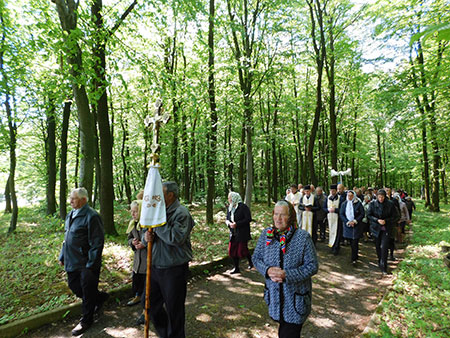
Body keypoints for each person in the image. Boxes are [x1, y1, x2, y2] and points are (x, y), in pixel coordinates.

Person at [137, 181, 195, 338]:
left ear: (170, 195)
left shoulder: (181, 213)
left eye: (160, 193)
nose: (156, 197)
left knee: (174, 309)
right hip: (155, 267)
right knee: (148, 303)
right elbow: (145, 235)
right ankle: (165, 333)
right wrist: (145, 237)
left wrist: (157, 224)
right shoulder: (157, 211)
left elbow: (175, 238)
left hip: (174, 269)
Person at [252, 200, 318, 338]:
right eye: (276, 214)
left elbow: (312, 266)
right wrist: (267, 270)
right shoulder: (267, 235)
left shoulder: (302, 237)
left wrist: (287, 275)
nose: (278, 218)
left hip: (295, 300)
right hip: (275, 299)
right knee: (283, 329)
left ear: (291, 217)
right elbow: (256, 258)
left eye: (283, 215)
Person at [59, 188, 108, 336]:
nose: (70, 201)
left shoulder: (91, 216)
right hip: (71, 260)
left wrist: (91, 264)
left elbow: (97, 242)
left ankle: (86, 320)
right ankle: (100, 298)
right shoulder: (70, 214)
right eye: (70, 198)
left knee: (87, 291)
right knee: (74, 286)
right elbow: (66, 239)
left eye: (74, 198)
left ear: (84, 200)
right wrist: (62, 256)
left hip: (86, 263)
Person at [367, 189, 399, 275]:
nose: (381, 199)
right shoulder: (372, 204)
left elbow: (396, 216)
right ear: (377, 196)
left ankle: (384, 266)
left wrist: (386, 221)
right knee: (378, 247)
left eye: (382, 197)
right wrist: (377, 220)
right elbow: (369, 215)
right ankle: (380, 261)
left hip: (386, 229)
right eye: (379, 197)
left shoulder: (390, 204)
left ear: (385, 197)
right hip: (375, 228)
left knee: (384, 247)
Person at [226, 191, 253, 274]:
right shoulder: (230, 208)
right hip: (233, 233)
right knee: (232, 250)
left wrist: (237, 224)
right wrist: (229, 223)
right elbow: (227, 218)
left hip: (242, 232)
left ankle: (251, 262)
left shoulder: (243, 207)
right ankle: (236, 268)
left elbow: (248, 218)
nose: (228, 199)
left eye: (229, 198)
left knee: (242, 250)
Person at [126, 200, 147, 306]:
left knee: (146, 283)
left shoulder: (147, 224)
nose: (133, 214)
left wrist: (144, 244)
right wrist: (132, 242)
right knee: (137, 280)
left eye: (135, 212)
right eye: (132, 211)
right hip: (137, 260)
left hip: (147, 260)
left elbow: (154, 239)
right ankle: (138, 296)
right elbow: (129, 238)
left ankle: (145, 303)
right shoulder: (132, 224)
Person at [340, 190, 365, 265]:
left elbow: (362, 213)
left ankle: (354, 258)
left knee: (355, 242)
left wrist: (355, 221)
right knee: (350, 242)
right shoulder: (344, 204)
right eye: (348, 196)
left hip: (356, 226)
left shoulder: (358, 203)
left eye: (351, 195)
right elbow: (341, 214)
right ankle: (354, 255)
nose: (350, 197)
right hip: (347, 225)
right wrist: (347, 222)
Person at [325, 184, 341, 255]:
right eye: (331, 190)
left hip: (337, 218)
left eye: (333, 190)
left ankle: (336, 247)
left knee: (337, 233)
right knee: (331, 232)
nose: (332, 192)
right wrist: (328, 209)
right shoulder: (328, 198)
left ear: (336, 191)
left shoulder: (340, 198)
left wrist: (336, 210)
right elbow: (324, 207)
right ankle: (331, 245)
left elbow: (342, 209)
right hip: (330, 217)